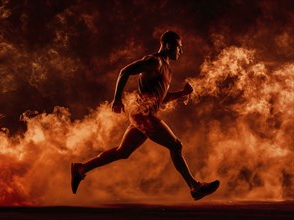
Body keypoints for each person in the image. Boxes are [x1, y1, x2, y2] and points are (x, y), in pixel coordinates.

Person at [71, 31, 219, 201]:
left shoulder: (167, 70)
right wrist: (117, 99)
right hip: (143, 114)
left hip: (142, 115)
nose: (181, 51)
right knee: (176, 145)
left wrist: (183, 93)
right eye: (179, 47)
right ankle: (195, 187)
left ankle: (81, 169)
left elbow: (162, 98)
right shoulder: (154, 61)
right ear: (169, 45)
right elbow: (124, 72)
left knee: (122, 152)